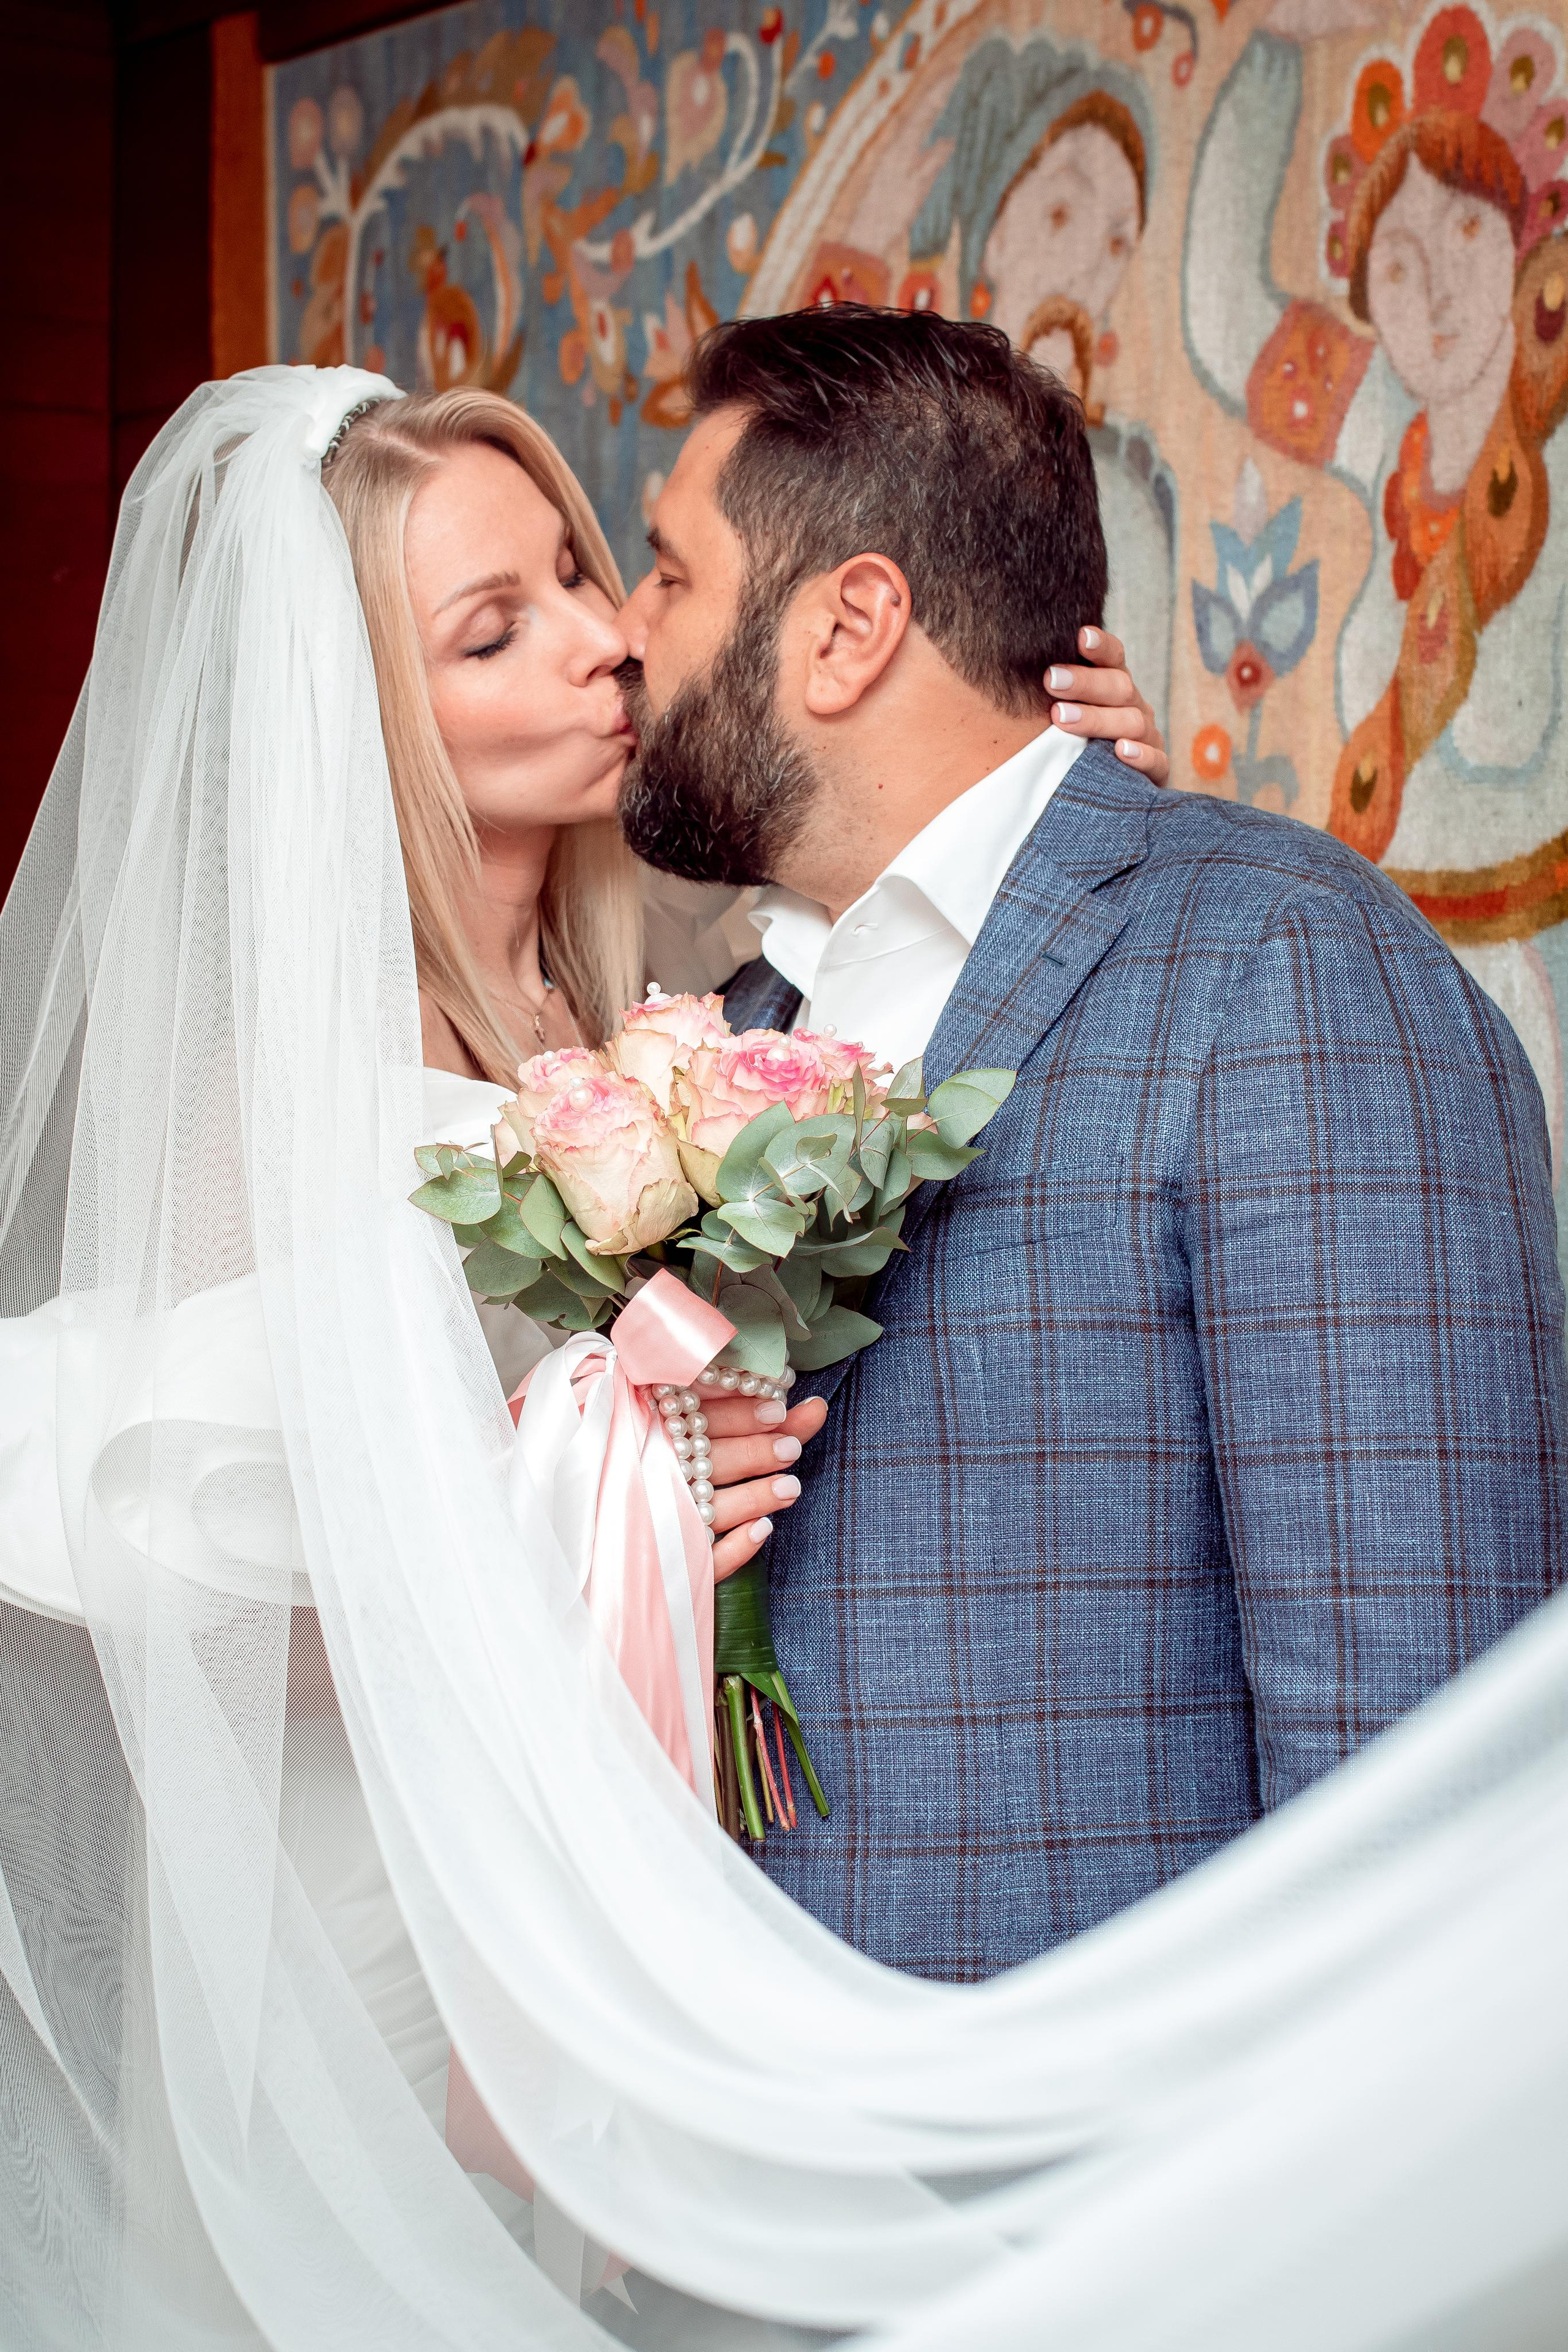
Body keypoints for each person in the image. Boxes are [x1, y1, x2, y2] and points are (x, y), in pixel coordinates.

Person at [616, 301, 1567, 1982]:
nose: (629, 635)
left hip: (1132, 2179)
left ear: (849, 629)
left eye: (669, 573)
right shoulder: (743, 1024)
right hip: (765, 2149)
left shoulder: (1280, 964)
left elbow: (1417, 1762)